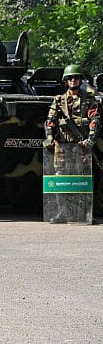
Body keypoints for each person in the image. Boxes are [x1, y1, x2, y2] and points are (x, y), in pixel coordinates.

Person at [44, 64, 99, 224]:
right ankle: (62, 212)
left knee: (84, 178)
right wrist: (49, 136)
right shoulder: (59, 100)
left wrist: (90, 139)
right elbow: (50, 121)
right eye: (70, 78)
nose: (73, 80)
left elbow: (95, 120)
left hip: (82, 146)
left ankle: (86, 213)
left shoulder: (89, 100)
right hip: (62, 146)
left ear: (80, 80)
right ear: (66, 81)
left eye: (76, 78)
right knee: (61, 178)